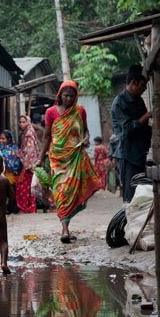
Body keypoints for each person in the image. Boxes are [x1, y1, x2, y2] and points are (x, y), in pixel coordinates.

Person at [37, 81, 102, 243]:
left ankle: (66, 227)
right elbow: (46, 137)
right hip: (58, 159)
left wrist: (86, 138)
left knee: (72, 191)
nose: (68, 99)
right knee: (61, 191)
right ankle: (65, 229)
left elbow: (85, 130)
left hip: (75, 158)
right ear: (59, 95)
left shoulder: (80, 112)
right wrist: (40, 158)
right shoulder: (51, 112)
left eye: (72, 96)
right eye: (65, 96)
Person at [111, 65, 152, 202]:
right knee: (131, 197)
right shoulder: (119, 103)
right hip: (128, 156)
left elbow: (145, 128)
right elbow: (128, 129)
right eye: (142, 85)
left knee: (142, 195)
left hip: (140, 155)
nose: (145, 88)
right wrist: (147, 116)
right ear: (133, 82)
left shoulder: (139, 101)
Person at [16, 115, 40, 213]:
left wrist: (21, 156)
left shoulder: (28, 135)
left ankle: (25, 208)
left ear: (28, 123)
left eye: (23, 122)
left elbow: (30, 151)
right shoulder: (25, 133)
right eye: (20, 122)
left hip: (29, 165)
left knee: (22, 186)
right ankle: (30, 208)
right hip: (30, 165)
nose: (21, 124)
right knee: (30, 187)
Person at [0, 130, 22, 214]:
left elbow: (17, 162)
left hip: (12, 174)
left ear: (8, 139)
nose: (1, 140)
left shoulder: (14, 149)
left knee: (11, 190)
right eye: (0, 139)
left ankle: (12, 207)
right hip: (3, 173)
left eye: (3, 139)